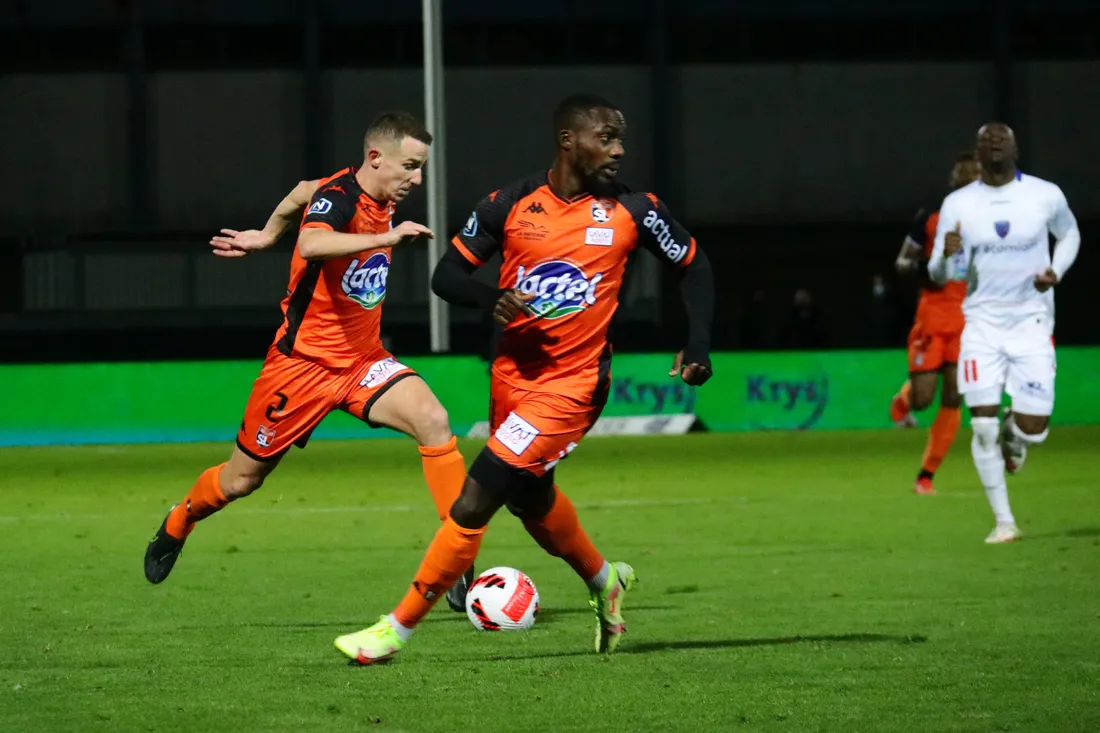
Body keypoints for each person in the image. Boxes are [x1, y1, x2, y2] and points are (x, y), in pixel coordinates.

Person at [333, 93, 715, 664]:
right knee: (531, 499)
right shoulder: (508, 204)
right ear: (568, 140)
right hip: (512, 379)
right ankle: (604, 579)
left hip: (575, 385)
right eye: (606, 138)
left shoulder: (636, 210)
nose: (619, 150)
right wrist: (493, 299)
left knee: (475, 499)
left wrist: (699, 340)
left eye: (621, 139)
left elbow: (694, 264)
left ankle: (393, 631)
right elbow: (447, 277)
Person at [144, 111, 475, 610]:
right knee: (241, 481)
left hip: (363, 362)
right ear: (375, 158)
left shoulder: (369, 195)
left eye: (421, 167)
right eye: (410, 166)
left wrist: (265, 233)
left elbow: (300, 189)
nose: (417, 179)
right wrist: (385, 239)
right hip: (301, 367)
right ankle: (179, 520)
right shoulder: (340, 198)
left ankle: (456, 565)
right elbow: (314, 240)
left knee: (434, 419)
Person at [928, 123, 1080, 543]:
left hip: (1031, 321)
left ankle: (1018, 430)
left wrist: (1057, 270)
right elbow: (939, 275)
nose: (995, 144)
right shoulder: (959, 204)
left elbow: (1069, 234)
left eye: (1003, 139)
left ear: (1015, 148)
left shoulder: (1043, 194)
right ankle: (1004, 520)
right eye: (987, 140)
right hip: (981, 323)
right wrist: (945, 255)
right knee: (980, 426)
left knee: (1036, 429)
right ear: (978, 152)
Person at [889, 151, 981, 494]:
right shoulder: (930, 219)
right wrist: (926, 269)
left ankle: (926, 474)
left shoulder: (994, 223)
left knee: (955, 393)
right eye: (963, 176)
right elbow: (901, 261)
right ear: (953, 183)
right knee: (923, 399)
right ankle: (904, 400)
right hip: (932, 313)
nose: (969, 180)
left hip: (970, 317)